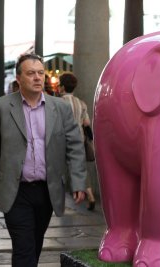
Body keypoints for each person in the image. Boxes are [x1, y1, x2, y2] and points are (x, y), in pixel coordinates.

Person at [0, 53, 86, 267]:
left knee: (35, 242)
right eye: (31, 73)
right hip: (15, 190)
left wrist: (78, 182)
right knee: (24, 246)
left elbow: (75, 147)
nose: (38, 78)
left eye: (41, 73)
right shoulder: (1, 107)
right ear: (19, 78)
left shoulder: (60, 108)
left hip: (47, 190)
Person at [59, 72, 96, 211]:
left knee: (60, 170)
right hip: (78, 140)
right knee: (79, 168)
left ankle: (60, 200)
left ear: (62, 87)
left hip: (62, 140)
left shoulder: (59, 103)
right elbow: (86, 123)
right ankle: (91, 196)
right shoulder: (81, 103)